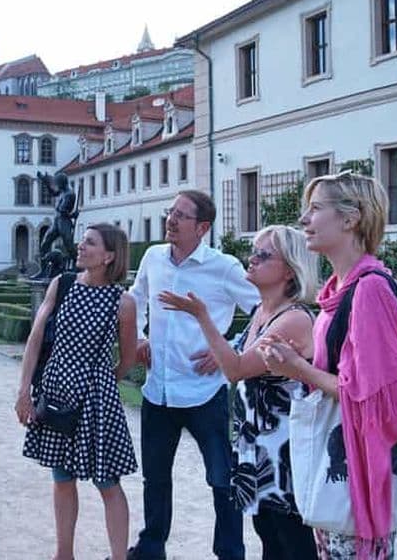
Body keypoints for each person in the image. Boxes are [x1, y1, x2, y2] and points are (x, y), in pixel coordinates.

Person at [258, 172, 397, 559]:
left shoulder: (370, 289)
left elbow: (367, 396)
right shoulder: (343, 289)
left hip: (360, 470)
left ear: (350, 219)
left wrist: (298, 368)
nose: (304, 220)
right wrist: (294, 359)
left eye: (315, 209)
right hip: (344, 459)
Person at [159, 225, 319, 560]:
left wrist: (202, 315)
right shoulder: (263, 313)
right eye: (254, 252)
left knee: (293, 545)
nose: (252, 259)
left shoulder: (293, 319)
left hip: (285, 457)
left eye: (263, 255)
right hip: (260, 450)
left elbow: (236, 369)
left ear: (289, 270)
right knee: (272, 541)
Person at [126, 190, 260, 560]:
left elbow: (266, 311)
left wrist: (229, 350)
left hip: (205, 394)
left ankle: (230, 553)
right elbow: (135, 298)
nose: (171, 219)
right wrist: (137, 336)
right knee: (155, 478)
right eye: (171, 212)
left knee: (221, 480)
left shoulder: (224, 267)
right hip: (158, 391)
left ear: (202, 227)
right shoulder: (154, 257)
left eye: (181, 216)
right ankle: (151, 548)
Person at [16, 223, 138, 560]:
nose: (80, 247)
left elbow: (128, 358)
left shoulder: (123, 301)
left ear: (109, 256)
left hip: (95, 399)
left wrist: (101, 383)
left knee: (107, 481)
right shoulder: (62, 284)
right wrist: (24, 390)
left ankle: (118, 557)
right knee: (62, 476)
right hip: (56, 389)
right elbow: (36, 337)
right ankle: (63, 554)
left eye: (90, 243)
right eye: (82, 241)